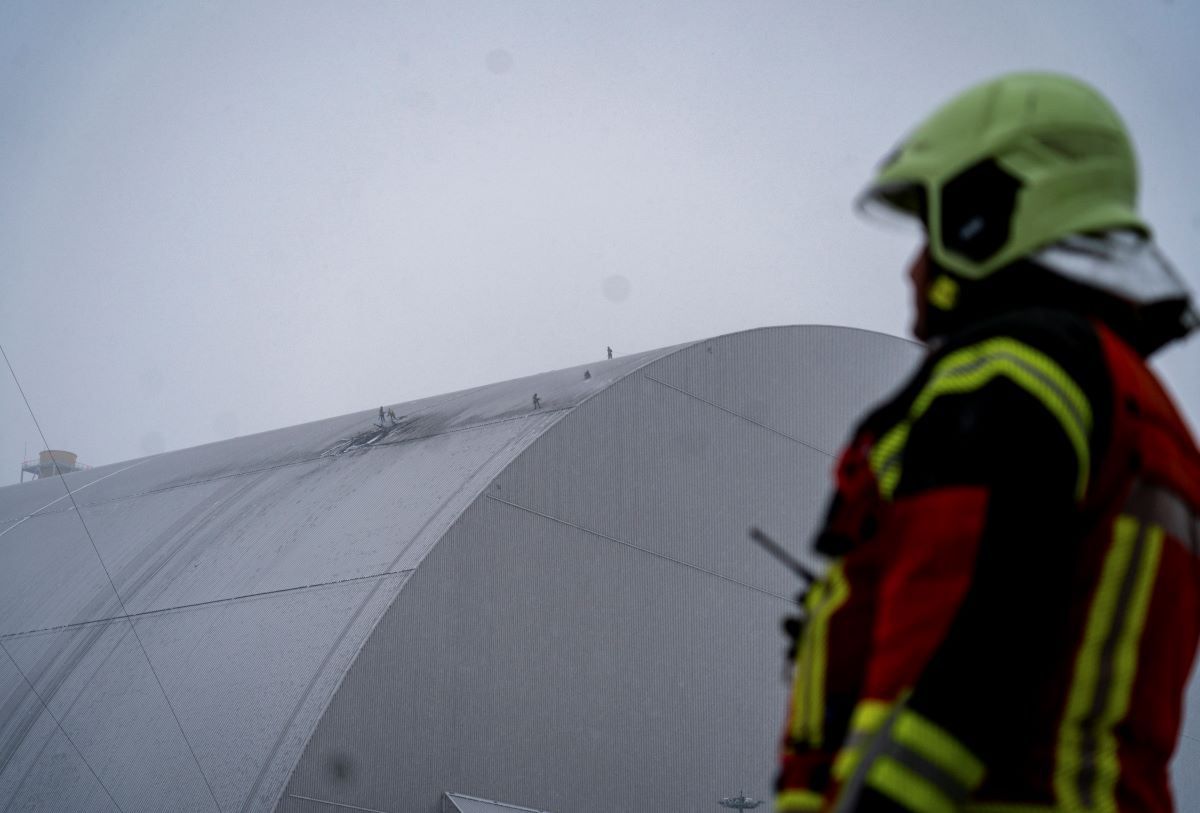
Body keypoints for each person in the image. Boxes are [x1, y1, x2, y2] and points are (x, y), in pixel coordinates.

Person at [775, 72, 1200, 813]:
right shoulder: (1140, 407)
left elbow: (963, 641)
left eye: (931, 232)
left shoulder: (1008, 371)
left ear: (988, 215)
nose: (914, 268)